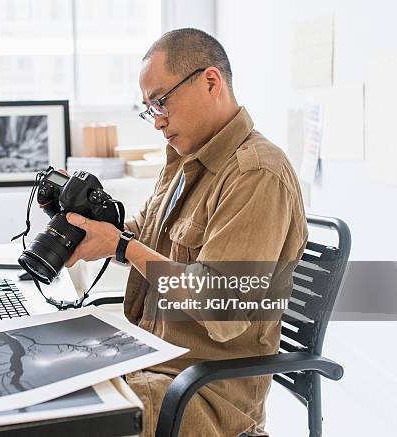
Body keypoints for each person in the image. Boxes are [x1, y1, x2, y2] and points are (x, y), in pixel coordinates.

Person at [63, 28, 307, 437]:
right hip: (154, 361)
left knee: (58, 417)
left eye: (161, 101)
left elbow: (222, 307)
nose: (157, 121)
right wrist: (90, 219)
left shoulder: (256, 174)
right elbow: (144, 234)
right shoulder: (184, 158)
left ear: (210, 81)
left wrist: (123, 247)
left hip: (203, 394)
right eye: (149, 108)